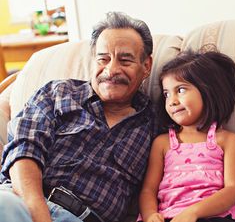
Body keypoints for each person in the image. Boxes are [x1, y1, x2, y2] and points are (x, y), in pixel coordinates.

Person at [0, 12, 158, 222]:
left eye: (125, 60)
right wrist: (39, 215)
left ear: (146, 66)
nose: (111, 70)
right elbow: (24, 151)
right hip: (22, 203)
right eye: (103, 59)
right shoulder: (58, 93)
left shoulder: (156, 123)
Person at [138, 49, 235, 222]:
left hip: (214, 216)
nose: (172, 101)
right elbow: (148, 190)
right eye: (166, 94)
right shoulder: (163, 143)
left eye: (180, 90)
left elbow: (233, 189)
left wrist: (193, 212)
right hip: (170, 217)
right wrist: (150, 215)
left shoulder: (226, 140)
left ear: (207, 91)